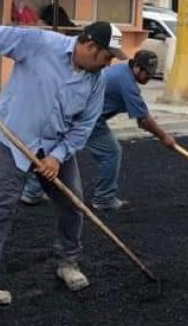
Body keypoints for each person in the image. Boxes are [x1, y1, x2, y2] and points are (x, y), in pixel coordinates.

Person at [0, 21, 125, 307]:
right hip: (15, 137)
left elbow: (84, 125)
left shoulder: (96, 82)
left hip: (55, 146)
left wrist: (57, 155)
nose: (108, 64)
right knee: (2, 203)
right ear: (91, 46)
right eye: (107, 57)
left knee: (73, 204)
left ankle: (68, 262)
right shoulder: (41, 44)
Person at [21, 49, 176, 211]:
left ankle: (31, 192)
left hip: (74, 110)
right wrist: (164, 137)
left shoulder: (122, 72)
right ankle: (104, 198)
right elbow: (143, 120)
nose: (149, 78)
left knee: (54, 150)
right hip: (88, 117)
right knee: (111, 153)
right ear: (137, 67)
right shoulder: (127, 84)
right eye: (147, 74)